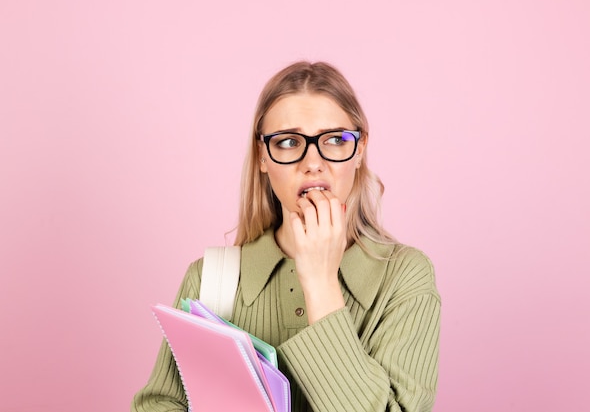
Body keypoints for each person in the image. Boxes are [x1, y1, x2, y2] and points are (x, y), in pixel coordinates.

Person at [131, 61, 440, 412]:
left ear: (360, 150)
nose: (313, 162)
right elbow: (159, 404)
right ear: (263, 155)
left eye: (336, 140)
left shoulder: (406, 277)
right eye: (290, 142)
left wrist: (321, 282)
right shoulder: (209, 280)